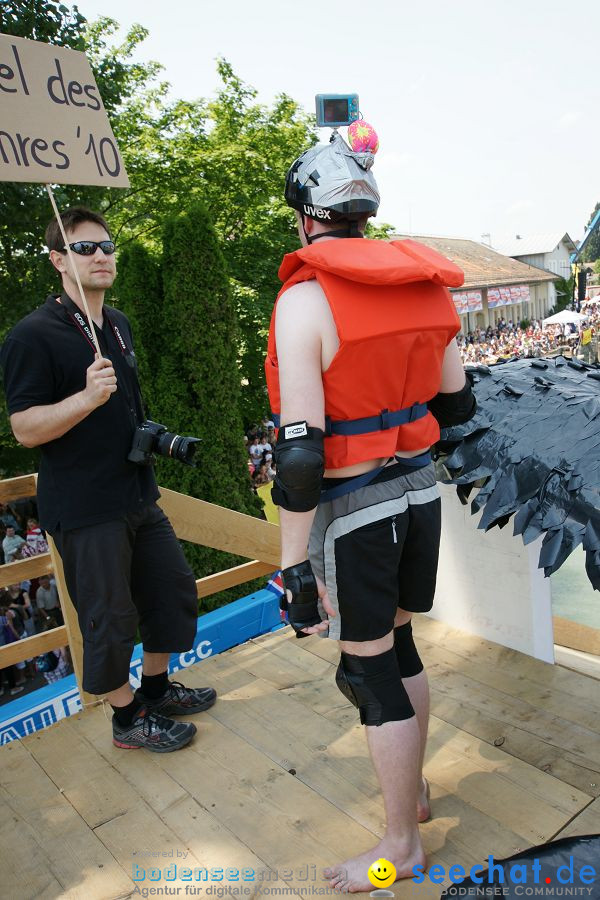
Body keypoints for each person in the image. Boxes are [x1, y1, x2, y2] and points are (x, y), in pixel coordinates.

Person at [265, 131, 476, 891]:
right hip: (420, 492)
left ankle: (399, 848)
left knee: (368, 674)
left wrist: (291, 566)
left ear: (305, 221)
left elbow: (299, 456)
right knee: (402, 647)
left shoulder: (304, 299)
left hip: (356, 507)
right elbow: (457, 404)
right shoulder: (428, 286)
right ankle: (412, 794)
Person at [0, 206, 216, 751]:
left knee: (172, 592)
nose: (100, 255)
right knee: (109, 617)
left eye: (106, 245)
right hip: (84, 505)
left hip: (137, 493)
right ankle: (126, 720)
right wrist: (85, 398)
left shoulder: (116, 324)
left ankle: (157, 689)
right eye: (83, 248)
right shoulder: (33, 335)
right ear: (57, 260)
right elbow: (24, 428)